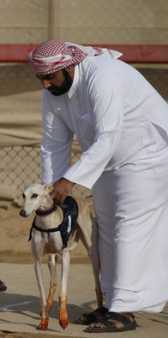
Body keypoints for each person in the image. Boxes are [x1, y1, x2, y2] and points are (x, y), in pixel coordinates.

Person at [29, 39, 168, 333]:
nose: (44, 84)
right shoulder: (54, 91)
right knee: (104, 229)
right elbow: (54, 143)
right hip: (106, 159)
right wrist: (50, 193)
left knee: (129, 227)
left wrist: (70, 180)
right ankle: (108, 303)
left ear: (67, 67)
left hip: (147, 154)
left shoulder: (104, 76)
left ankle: (124, 310)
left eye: (49, 76)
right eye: (40, 77)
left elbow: (109, 134)